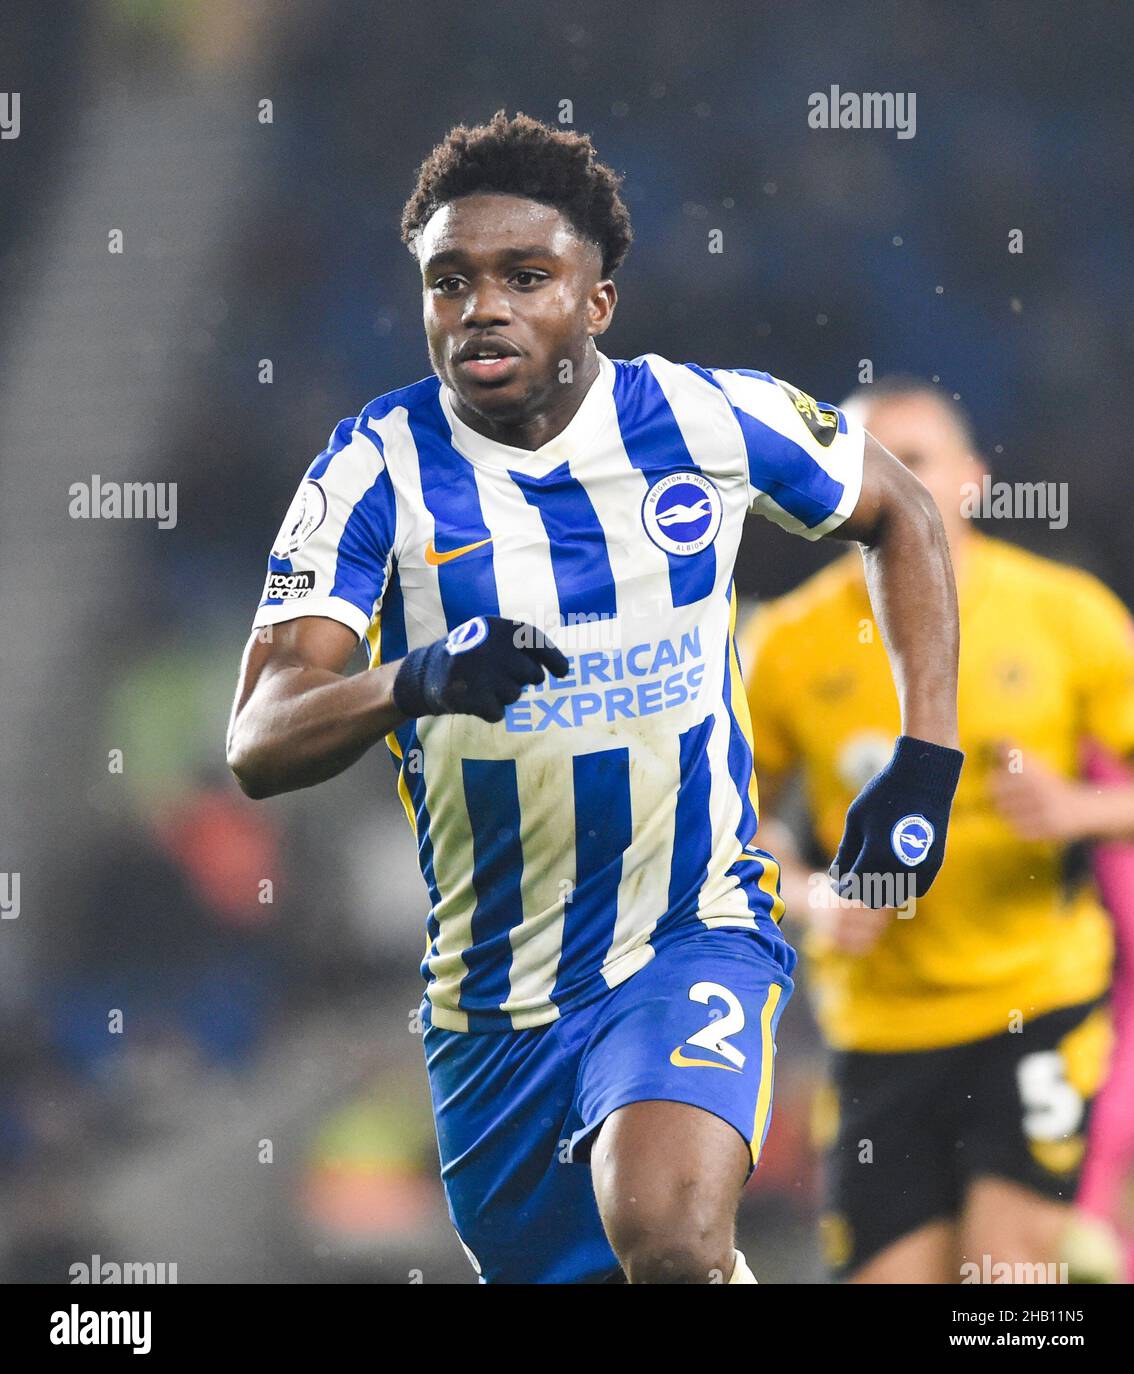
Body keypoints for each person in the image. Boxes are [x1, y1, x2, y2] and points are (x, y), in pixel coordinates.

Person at [226, 115, 963, 1284]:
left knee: (666, 1232)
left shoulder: (708, 420)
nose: (483, 307)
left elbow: (902, 512)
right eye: (450, 281)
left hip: (693, 931)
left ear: (598, 301)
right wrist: (412, 677)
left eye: (526, 277)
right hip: (491, 1004)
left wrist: (928, 758)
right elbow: (260, 737)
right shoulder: (372, 470)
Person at [741, 376, 1134, 1283]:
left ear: (972, 480)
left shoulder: (1066, 613)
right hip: (876, 1025)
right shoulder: (787, 643)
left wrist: (1080, 811)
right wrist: (810, 896)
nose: (888, 482)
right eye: (864, 464)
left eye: (912, 462)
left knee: (1005, 1280)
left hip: (1035, 1004)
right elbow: (732, 824)